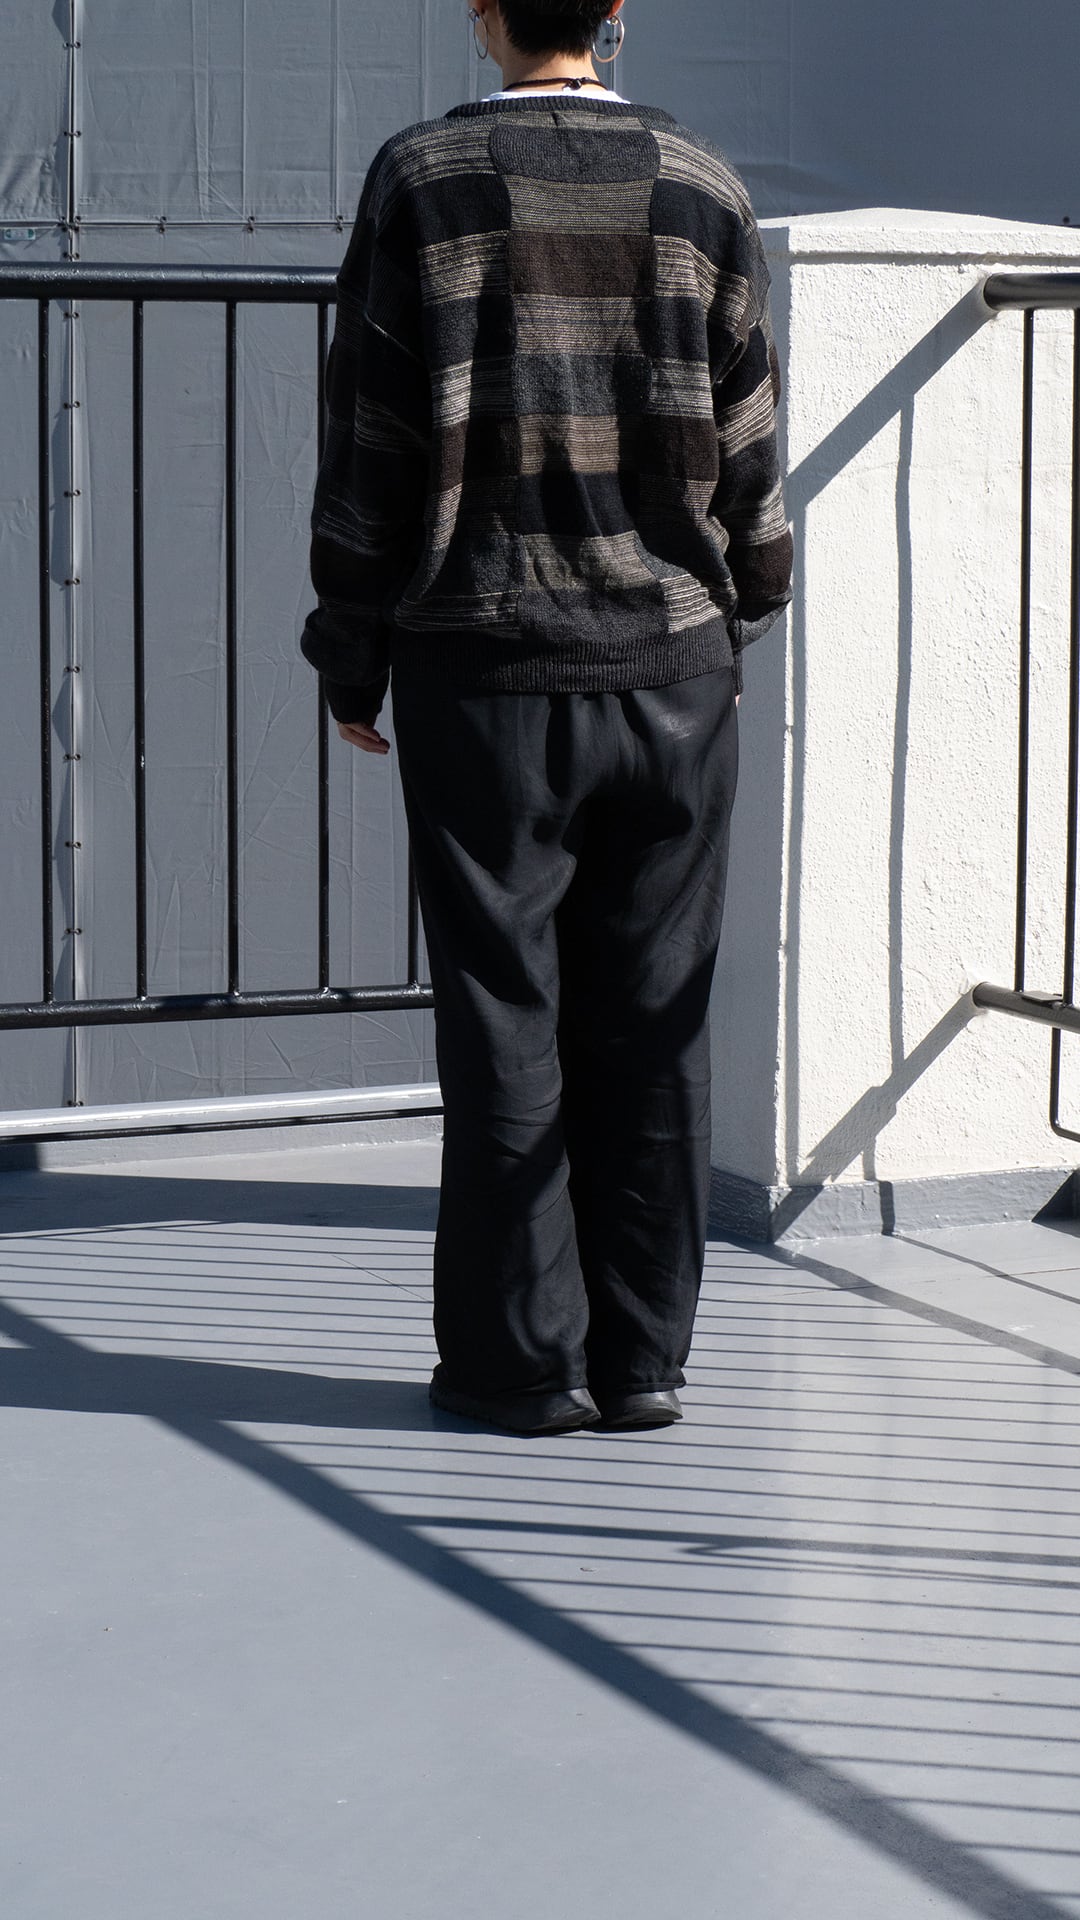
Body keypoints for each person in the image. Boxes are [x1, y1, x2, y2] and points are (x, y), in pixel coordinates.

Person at [300, 0, 793, 1436]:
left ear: (485, 15)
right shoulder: (702, 184)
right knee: (655, 1019)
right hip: (671, 665)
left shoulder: (423, 179)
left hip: (484, 668)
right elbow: (750, 443)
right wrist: (745, 606)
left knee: (505, 1020)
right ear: (616, 14)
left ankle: (522, 1370)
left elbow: (372, 439)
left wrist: (351, 650)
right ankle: (643, 1364)